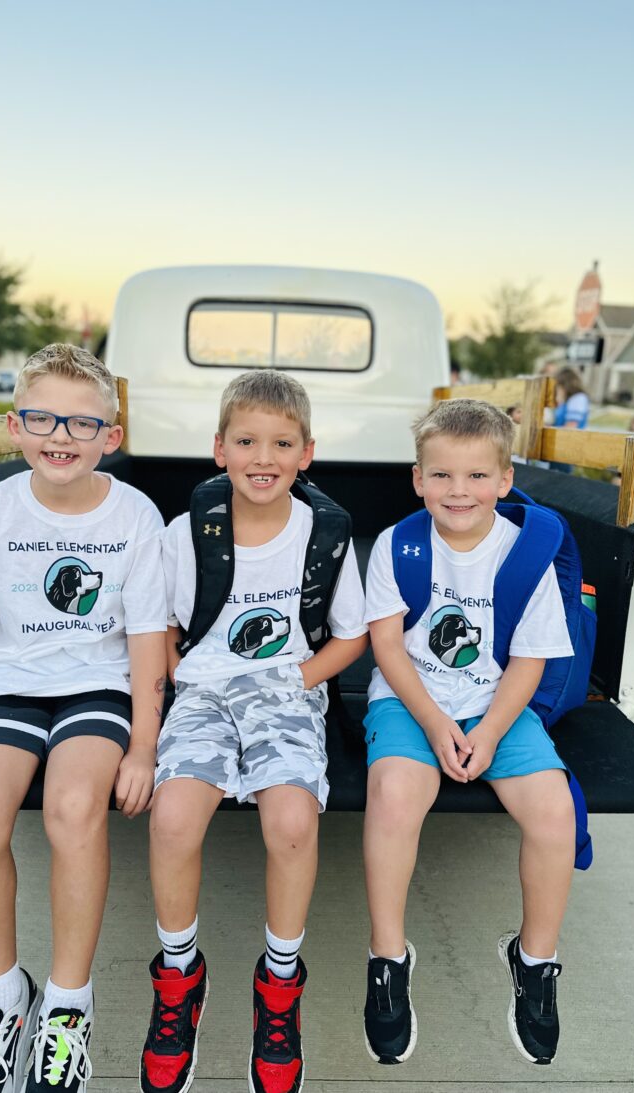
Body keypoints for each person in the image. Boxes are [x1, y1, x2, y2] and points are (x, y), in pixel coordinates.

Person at [0, 344, 168, 1093]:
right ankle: (2, 1000)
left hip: (99, 685)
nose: (63, 435)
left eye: (83, 423)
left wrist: (144, 747)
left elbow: (149, 639)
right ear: (15, 428)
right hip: (11, 682)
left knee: (73, 805)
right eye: (45, 418)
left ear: (110, 438)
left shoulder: (135, 515)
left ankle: (67, 1008)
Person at [141, 370, 368, 1093]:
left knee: (293, 820)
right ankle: (179, 974)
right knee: (173, 817)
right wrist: (182, 683)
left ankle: (279, 983)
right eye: (245, 440)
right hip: (205, 690)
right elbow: (166, 629)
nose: (261, 456)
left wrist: (296, 681)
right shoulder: (189, 535)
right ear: (218, 449)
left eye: (280, 442)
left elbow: (350, 636)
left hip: (287, 693)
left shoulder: (325, 534)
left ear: (307, 452)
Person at [361, 398, 576, 1067]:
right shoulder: (398, 545)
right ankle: (388, 958)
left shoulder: (526, 551)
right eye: (443, 475)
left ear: (505, 480)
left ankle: (535, 959)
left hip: (498, 704)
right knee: (395, 798)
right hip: (410, 697)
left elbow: (530, 660)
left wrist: (485, 732)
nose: (460, 491)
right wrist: (433, 721)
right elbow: (388, 649)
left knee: (553, 812)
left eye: (478, 476)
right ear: (418, 478)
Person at [551, 368, 590, 473]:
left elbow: (571, 426)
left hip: (568, 448)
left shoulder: (578, 399)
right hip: (559, 447)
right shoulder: (568, 400)